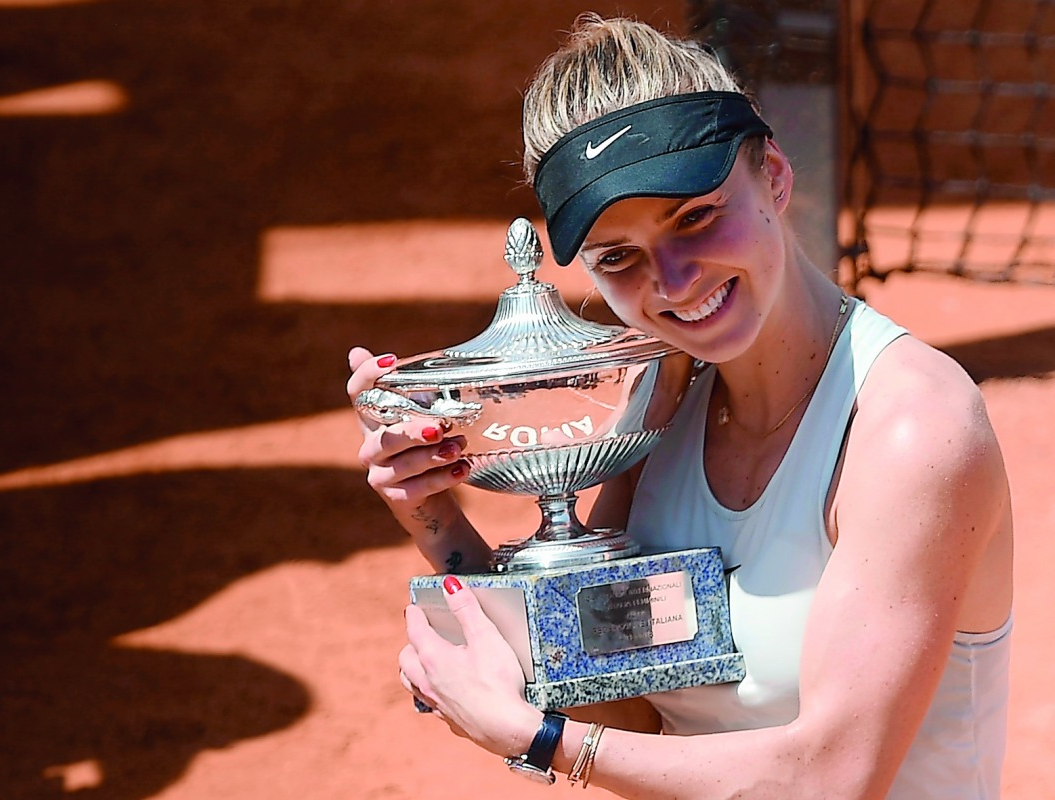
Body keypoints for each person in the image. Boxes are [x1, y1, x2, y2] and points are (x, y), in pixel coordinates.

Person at [347, 14, 1013, 800]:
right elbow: (623, 703)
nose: (672, 279)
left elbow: (834, 779)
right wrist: (433, 513)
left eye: (694, 216)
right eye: (618, 257)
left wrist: (538, 737)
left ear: (774, 175)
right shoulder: (663, 409)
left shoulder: (910, 431)